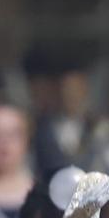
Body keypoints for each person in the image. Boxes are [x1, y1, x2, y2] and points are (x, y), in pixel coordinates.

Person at [25, 45, 95, 174]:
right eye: (67, 89)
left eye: (76, 90)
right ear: (57, 91)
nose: (71, 96)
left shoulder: (97, 127)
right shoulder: (40, 128)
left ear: (85, 91)